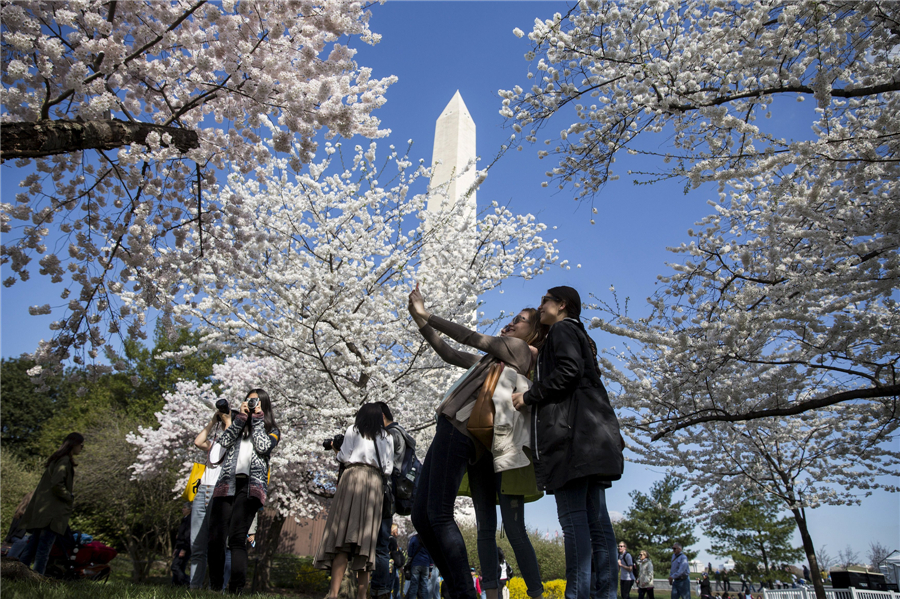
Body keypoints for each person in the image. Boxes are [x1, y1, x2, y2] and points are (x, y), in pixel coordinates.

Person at [408, 285, 542, 599]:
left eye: (520, 321)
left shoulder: (521, 351)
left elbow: (472, 337)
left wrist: (428, 314)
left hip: (461, 428)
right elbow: (451, 353)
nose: (510, 324)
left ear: (534, 334)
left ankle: (464, 592)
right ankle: (458, 588)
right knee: (421, 515)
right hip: (457, 428)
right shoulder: (494, 360)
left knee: (437, 513)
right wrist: (421, 322)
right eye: (511, 319)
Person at [512, 286, 624, 599]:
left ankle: (576, 594)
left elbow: (568, 371)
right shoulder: (579, 334)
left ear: (561, 305)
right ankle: (605, 593)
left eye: (545, 300)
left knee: (574, 522)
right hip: (594, 440)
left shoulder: (562, 329)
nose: (540, 305)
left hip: (573, 442)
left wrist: (529, 396)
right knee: (597, 522)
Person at [314, 403, 394, 599]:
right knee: (365, 543)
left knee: (342, 538)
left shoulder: (352, 430)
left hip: (351, 479)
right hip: (374, 484)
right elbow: (389, 468)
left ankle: (332, 593)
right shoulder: (388, 437)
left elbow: (343, 457)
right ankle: (362, 595)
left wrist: (335, 448)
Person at [208, 389, 280, 594]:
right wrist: (239, 419)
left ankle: (236, 589)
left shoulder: (272, 429)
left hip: (251, 488)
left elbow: (263, 446)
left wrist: (257, 419)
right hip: (227, 484)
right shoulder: (238, 424)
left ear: (263, 404)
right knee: (215, 537)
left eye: (254, 402)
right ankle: (214, 587)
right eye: (248, 401)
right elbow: (223, 443)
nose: (250, 404)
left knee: (237, 538)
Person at [20, 432, 85, 575]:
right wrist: (69, 496)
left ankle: (18, 576)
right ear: (74, 444)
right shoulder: (64, 461)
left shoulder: (57, 459)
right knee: (43, 550)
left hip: (42, 513)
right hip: (52, 514)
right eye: (81, 445)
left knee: (32, 547)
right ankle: (36, 580)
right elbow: (57, 484)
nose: (82, 448)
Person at [372, 402, 414, 599]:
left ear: (381, 416)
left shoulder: (392, 434)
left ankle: (379, 589)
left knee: (380, 543)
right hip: (394, 493)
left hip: (386, 492)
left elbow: (387, 464)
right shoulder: (401, 433)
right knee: (381, 542)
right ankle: (380, 589)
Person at [190, 407, 231, 588]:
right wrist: (213, 421)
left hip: (220, 492)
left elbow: (233, 439)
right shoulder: (214, 443)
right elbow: (198, 442)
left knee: (217, 545)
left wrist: (229, 421)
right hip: (203, 491)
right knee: (197, 546)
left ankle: (216, 589)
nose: (223, 425)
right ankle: (194, 588)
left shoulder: (235, 444)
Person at [407, 533, 434, 599]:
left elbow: (410, 551)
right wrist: (430, 570)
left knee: (414, 586)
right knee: (424, 587)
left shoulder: (414, 538)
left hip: (415, 564)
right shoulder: (428, 540)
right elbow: (431, 555)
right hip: (426, 565)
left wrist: (409, 560)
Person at [172, 502, 192, 586]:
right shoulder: (184, 519)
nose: (182, 509)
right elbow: (180, 535)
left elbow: (187, 535)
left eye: (184, 508)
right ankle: (176, 585)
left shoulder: (189, 520)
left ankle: (187, 582)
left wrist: (184, 549)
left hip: (185, 546)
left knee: (175, 566)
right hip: (180, 546)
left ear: (190, 509)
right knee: (180, 567)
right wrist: (176, 547)